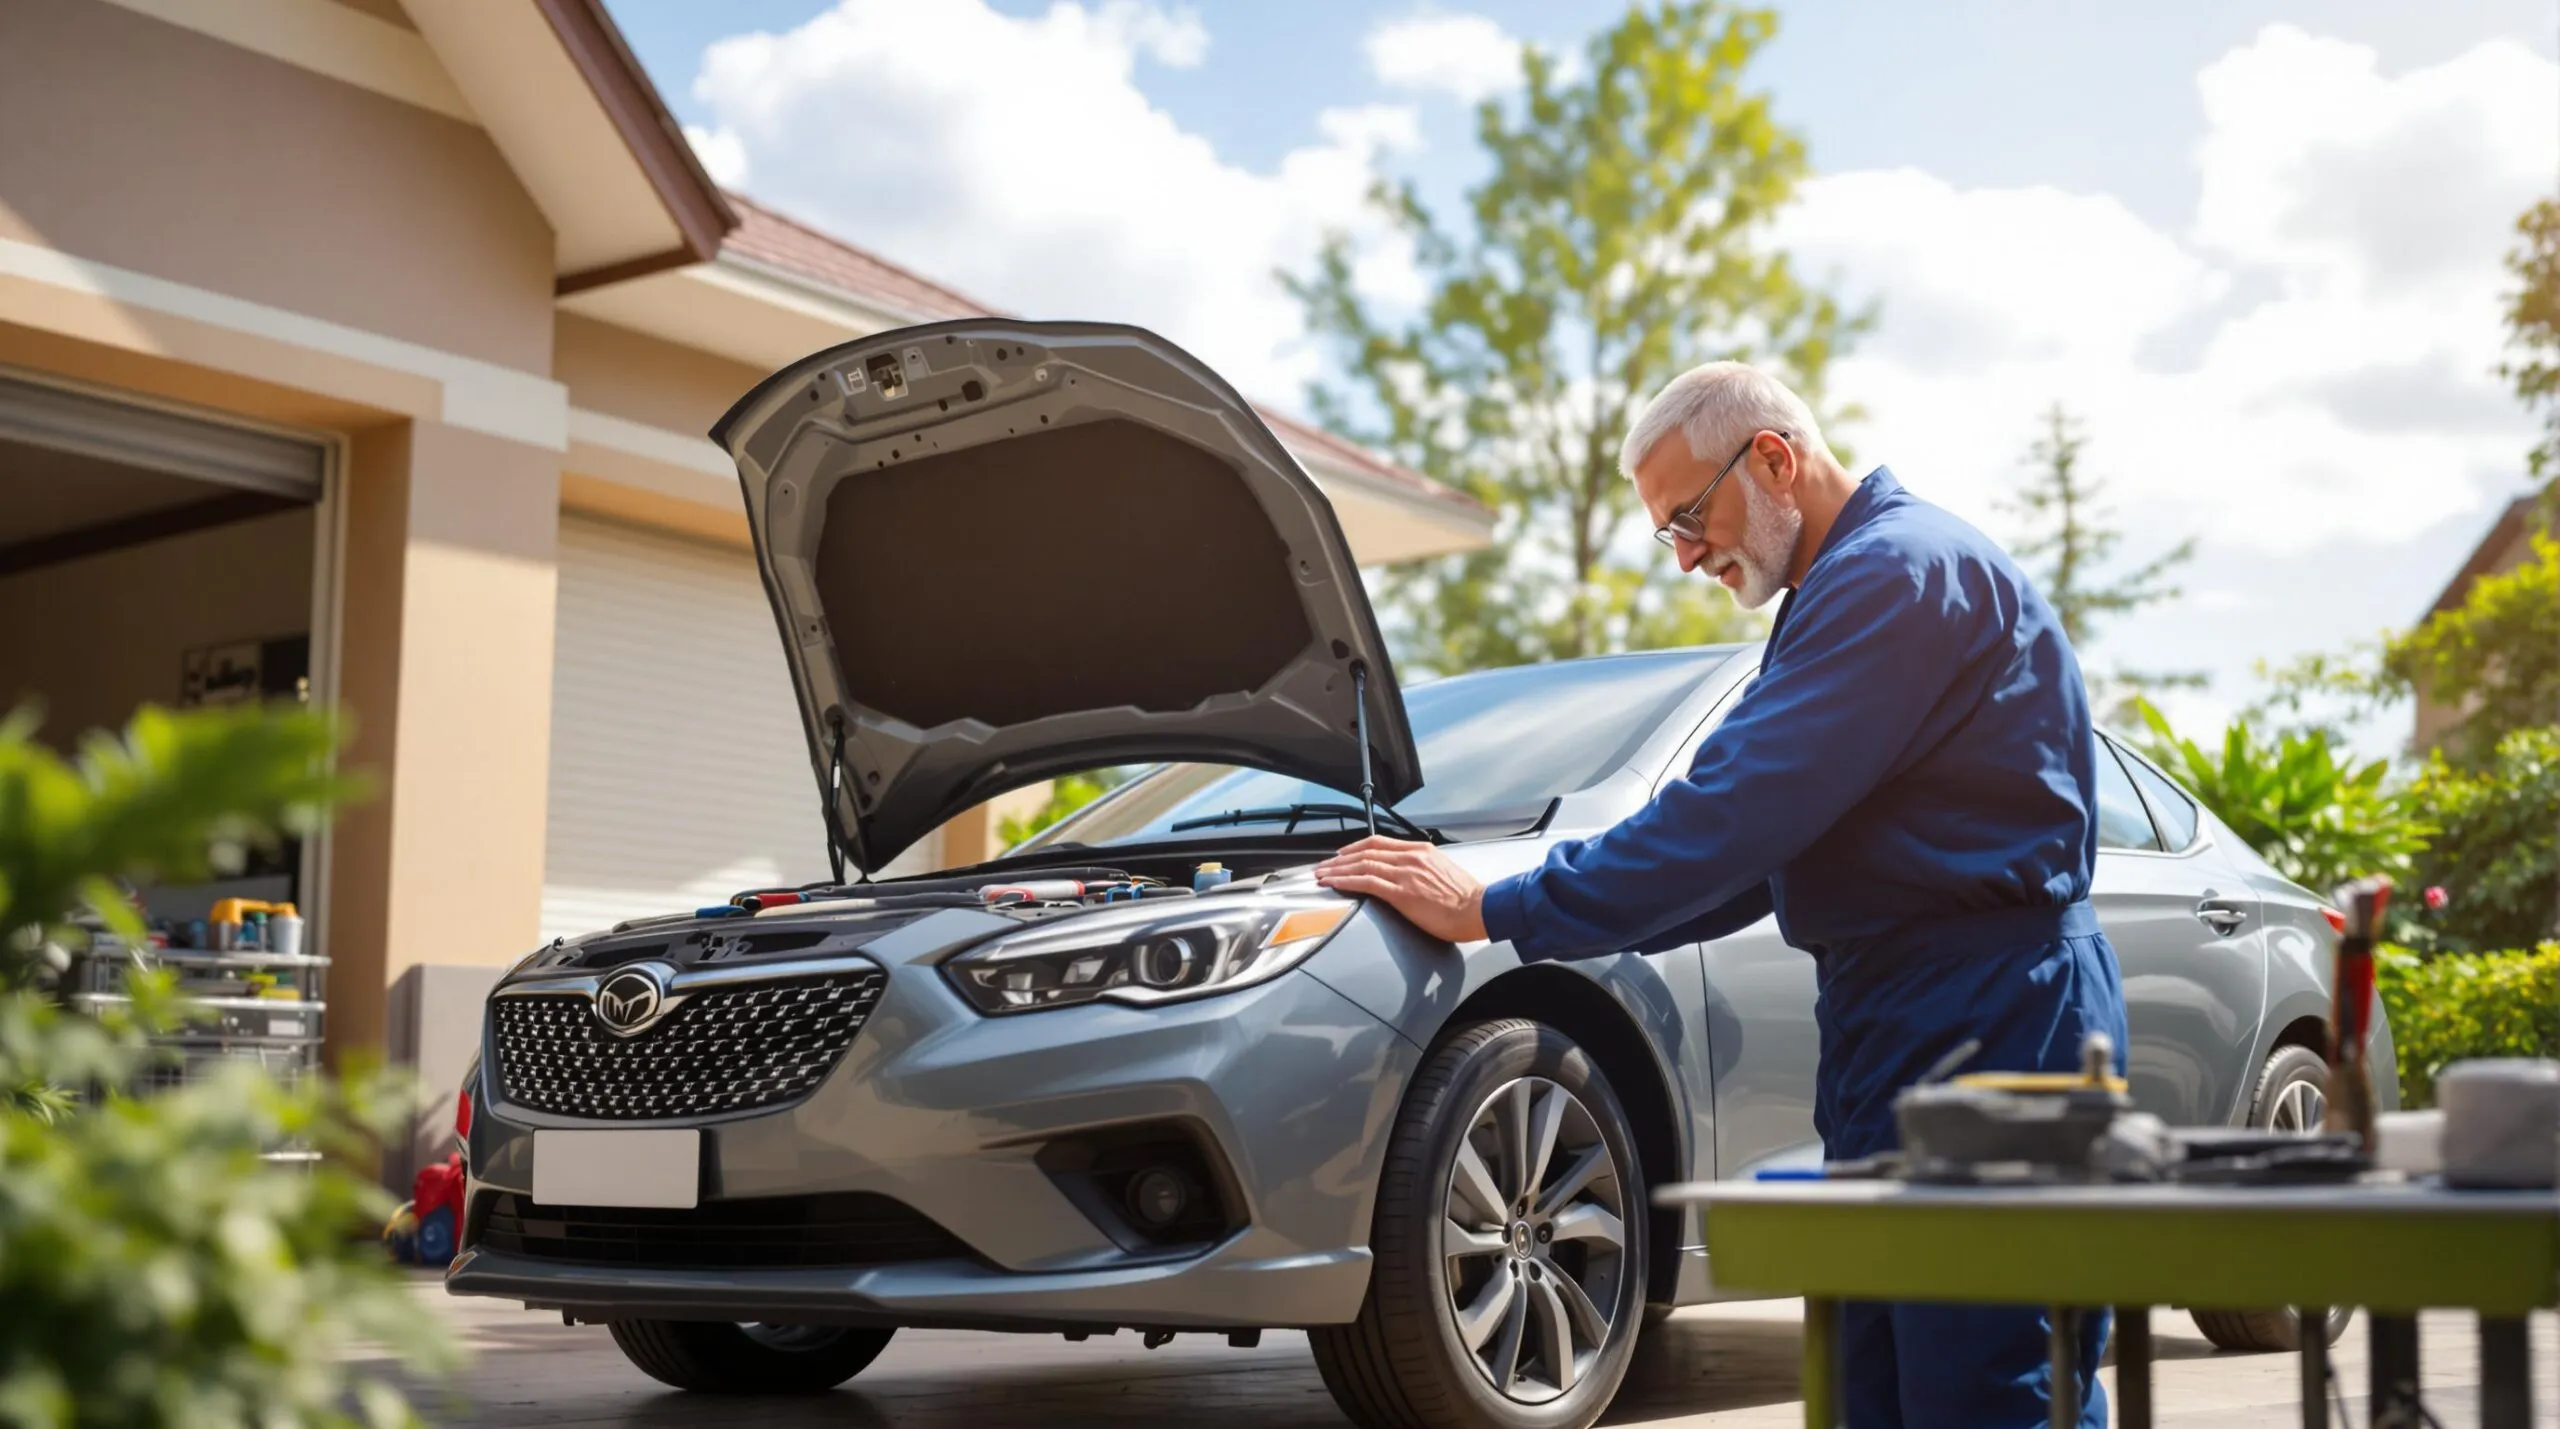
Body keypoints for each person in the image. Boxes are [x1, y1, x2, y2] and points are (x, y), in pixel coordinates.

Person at [1313, 361, 2130, 1429]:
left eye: (1689, 517)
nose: (1686, 555)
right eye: (1669, 532)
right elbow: (1752, 858)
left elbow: (1727, 817)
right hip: (1901, 1019)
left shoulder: (1895, 575)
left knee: (1986, 1386)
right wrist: (1540, 919)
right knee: (1873, 1387)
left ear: (1775, 459)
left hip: (1993, 1019)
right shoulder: (1834, 594)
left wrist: (1494, 907)